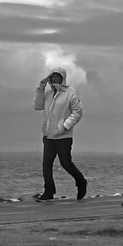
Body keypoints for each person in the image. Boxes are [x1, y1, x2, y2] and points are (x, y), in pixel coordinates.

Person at [33, 68, 86, 200]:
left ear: (62, 78)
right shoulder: (48, 94)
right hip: (49, 136)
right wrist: (41, 88)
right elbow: (37, 106)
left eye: (57, 76)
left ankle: (81, 182)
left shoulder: (71, 92)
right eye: (52, 76)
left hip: (63, 136)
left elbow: (77, 113)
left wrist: (64, 127)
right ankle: (49, 191)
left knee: (66, 163)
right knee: (46, 164)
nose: (54, 79)